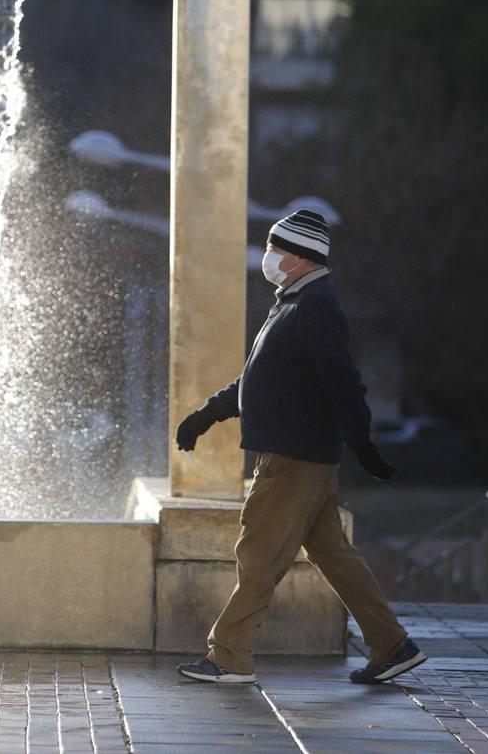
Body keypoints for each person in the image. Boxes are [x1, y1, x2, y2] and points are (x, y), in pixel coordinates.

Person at [173, 209, 427, 686]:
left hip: (294, 456)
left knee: (259, 552)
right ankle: (392, 645)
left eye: (276, 249)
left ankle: (228, 656)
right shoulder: (291, 300)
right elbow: (257, 378)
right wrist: (206, 415)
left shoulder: (314, 305)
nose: (268, 256)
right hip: (301, 454)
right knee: (334, 556)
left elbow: (343, 381)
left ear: (300, 258)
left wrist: (362, 444)